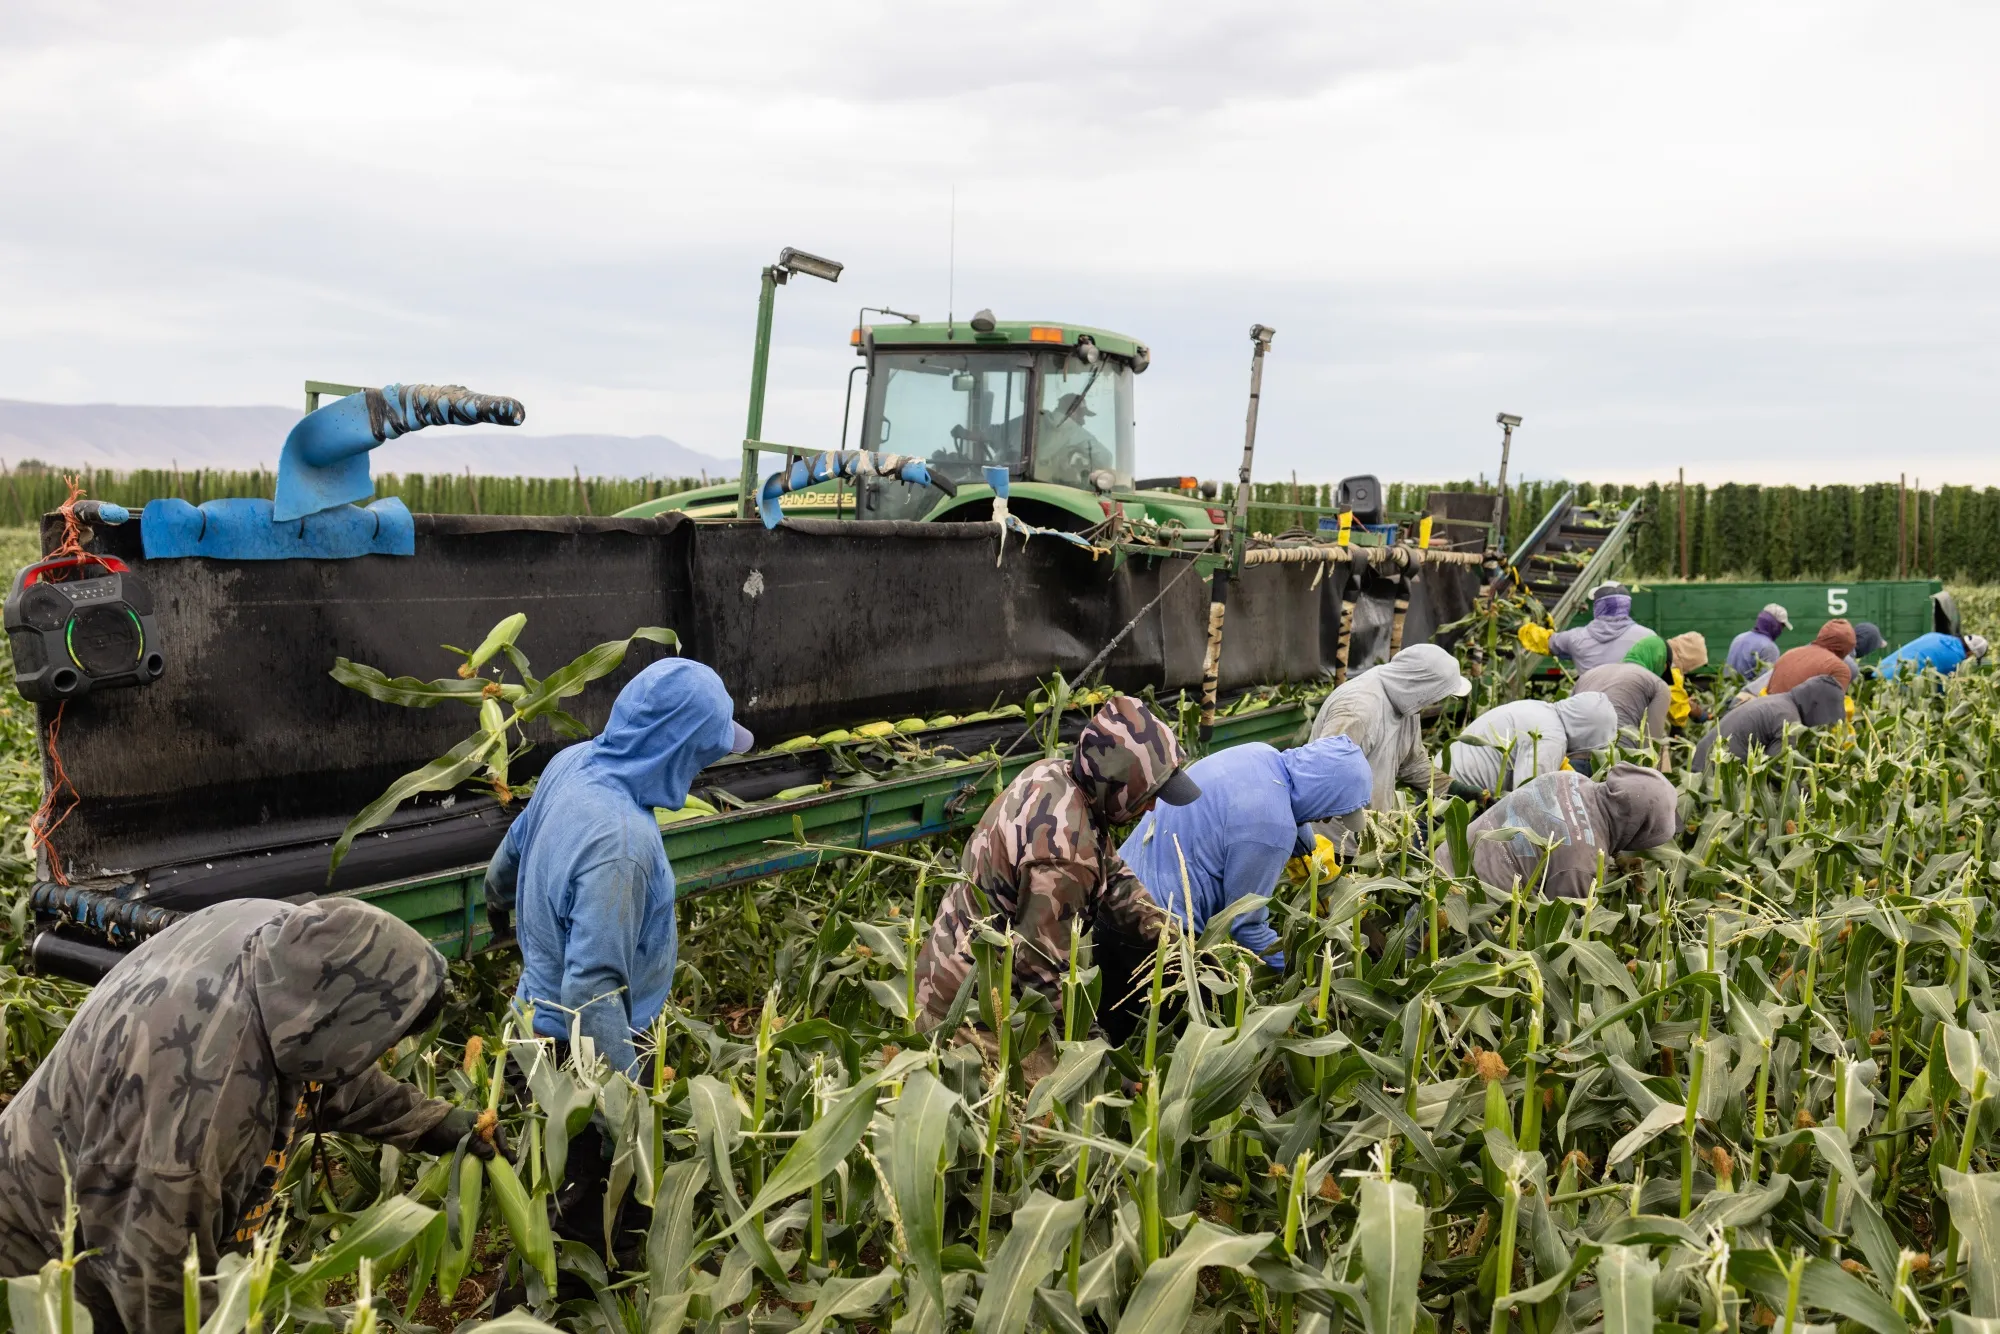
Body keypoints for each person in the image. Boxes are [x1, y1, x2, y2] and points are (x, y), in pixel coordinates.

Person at [0, 900, 489, 1333]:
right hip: (48, 1250)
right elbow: (161, 1277)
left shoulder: (284, 944)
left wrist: (429, 1121)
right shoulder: (202, 1096)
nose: (380, 1056)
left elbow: (327, 1064)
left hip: (124, 1199)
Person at [485, 657, 754, 1079]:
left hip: (528, 1024)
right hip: (577, 1059)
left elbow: (513, 849)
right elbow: (592, 995)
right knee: (591, 1147)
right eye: (702, 755)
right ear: (679, 752)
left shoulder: (572, 762)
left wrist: (496, 903)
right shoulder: (622, 844)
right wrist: (628, 1103)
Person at [912, 695, 1200, 1034]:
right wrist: (1096, 1054)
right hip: (968, 1010)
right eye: (1148, 796)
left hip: (947, 965)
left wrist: (1173, 942)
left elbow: (1115, 877)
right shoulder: (1065, 856)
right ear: (1116, 785)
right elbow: (1042, 978)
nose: (1152, 808)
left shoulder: (1055, 776)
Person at [1120, 735, 1372, 969]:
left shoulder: (1262, 755)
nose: (1327, 820)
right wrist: (1307, 976)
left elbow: (1294, 819)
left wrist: (1323, 874)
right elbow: (1245, 925)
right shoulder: (1270, 827)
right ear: (1321, 795)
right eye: (1331, 811)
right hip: (1152, 926)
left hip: (1118, 884)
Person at [1436, 763, 1678, 900]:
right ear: (1636, 829)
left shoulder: (1570, 778)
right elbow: (1556, 939)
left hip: (1441, 863)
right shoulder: (1582, 865)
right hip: (1460, 909)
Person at [1309, 643, 1471, 812]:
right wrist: (1357, 825)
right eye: (1436, 696)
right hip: (1338, 826)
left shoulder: (1408, 704)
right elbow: (1326, 775)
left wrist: (1452, 788)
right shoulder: (1358, 709)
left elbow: (1412, 764)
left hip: (1374, 823)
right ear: (1421, 685)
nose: (1435, 703)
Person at [1439, 692, 1618, 799]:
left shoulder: (1540, 709)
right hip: (1456, 797)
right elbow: (1528, 797)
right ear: (1587, 735)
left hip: (1437, 779)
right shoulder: (1551, 739)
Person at [1691, 673, 1845, 771]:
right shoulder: (1789, 722)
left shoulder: (1779, 701)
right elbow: (1776, 770)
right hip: (1712, 776)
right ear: (1815, 706)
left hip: (1701, 765)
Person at [1532, 583, 1656, 672]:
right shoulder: (1648, 638)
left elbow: (1544, 641)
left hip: (1589, 707)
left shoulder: (1576, 638)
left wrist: (1522, 629)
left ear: (1599, 606)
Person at [1573, 659, 1671, 742]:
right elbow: (1651, 740)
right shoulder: (1657, 684)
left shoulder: (1587, 675)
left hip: (1575, 751)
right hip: (1617, 754)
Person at [1036, 391, 1111, 484]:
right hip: (1049, 484)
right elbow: (1105, 457)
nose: (1084, 422)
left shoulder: (1034, 421)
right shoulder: (1073, 430)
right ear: (1073, 412)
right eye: (1082, 415)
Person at [1767, 619, 1856, 694]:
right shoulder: (1839, 668)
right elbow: (1832, 710)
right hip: (1794, 714)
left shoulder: (1789, 653)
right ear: (1847, 647)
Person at [1879, 630, 1990, 680]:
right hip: (1894, 684)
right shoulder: (1954, 661)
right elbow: (1941, 689)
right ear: (1971, 653)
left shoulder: (1935, 635)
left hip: (1880, 670)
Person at [1726, 604, 1790, 678]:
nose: (1781, 631)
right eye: (1782, 626)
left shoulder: (1739, 638)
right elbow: (1766, 682)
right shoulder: (1769, 648)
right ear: (1775, 625)